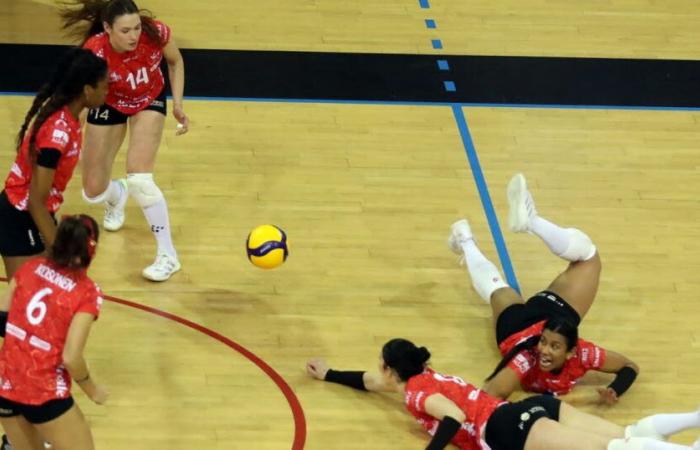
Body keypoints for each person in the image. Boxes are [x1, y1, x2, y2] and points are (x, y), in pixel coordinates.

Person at [447, 173, 638, 405]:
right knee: (589, 257)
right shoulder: (528, 357)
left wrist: (615, 389)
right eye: (545, 342)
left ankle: (464, 238)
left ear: (571, 352)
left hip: (514, 327)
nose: (545, 351)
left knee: (495, 289)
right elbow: (491, 393)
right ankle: (531, 221)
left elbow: (630, 367)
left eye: (554, 346)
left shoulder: (585, 354)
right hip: (548, 314)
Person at [306, 338, 700, 450]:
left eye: (380, 364)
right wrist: (329, 374)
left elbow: (453, 417)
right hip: (526, 412)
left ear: (392, 370)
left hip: (510, 430)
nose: (377, 371)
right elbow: (369, 381)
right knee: (625, 437)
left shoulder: (416, 395)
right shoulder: (419, 375)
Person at [60, 0, 189, 281]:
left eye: (137, 28)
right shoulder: (94, 52)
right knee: (92, 191)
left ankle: (168, 256)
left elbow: (176, 61)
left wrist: (178, 104)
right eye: (126, 30)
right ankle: (117, 195)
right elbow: (82, 98)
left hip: (148, 99)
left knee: (141, 180)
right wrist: (71, 132)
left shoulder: (156, 34)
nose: (134, 36)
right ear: (107, 28)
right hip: (110, 103)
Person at [0, 215, 108, 450]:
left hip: (5, 384)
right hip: (44, 393)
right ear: (92, 249)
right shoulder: (87, 293)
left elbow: (3, 321)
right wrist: (92, 390)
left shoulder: (29, 268)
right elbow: (71, 357)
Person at [0, 48, 108, 281]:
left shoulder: (67, 116)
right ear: (87, 91)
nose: (107, 92)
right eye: (104, 86)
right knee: (25, 301)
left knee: (34, 299)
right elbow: (36, 200)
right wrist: (62, 254)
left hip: (33, 214)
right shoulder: (58, 133)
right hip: (20, 216)